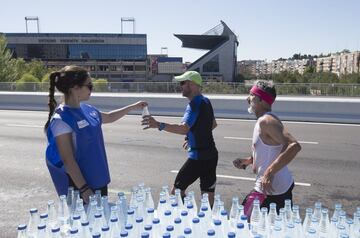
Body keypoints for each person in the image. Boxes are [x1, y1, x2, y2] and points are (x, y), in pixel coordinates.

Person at [44, 65, 147, 203]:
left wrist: (132, 107)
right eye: (89, 85)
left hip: (99, 178)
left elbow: (109, 117)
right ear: (75, 88)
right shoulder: (61, 120)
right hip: (81, 186)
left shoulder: (88, 109)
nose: (92, 89)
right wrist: (84, 189)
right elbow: (68, 160)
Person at [141, 71, 218, 207]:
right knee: (208, 194)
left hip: (197, 158)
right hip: (211, 155)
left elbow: (183, 128)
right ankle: (209, 222)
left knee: (176, 192)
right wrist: (192, 136)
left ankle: (183, 219)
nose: (180, 86)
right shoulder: (206, 101)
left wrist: (158, 125)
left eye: (183, 83)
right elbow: (212, 124)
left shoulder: (194, 104)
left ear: (192, 84)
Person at [233, 80, 301, 212]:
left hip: (272, 189)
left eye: (252, 95)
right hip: (276, 187)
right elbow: (270, 150)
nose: (247, 98)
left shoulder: (267, 121)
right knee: (272, 227)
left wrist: (269, 173)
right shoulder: (263, 121)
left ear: (262, 100)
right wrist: (248, 161)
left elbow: (294, 146)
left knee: (242, 220)